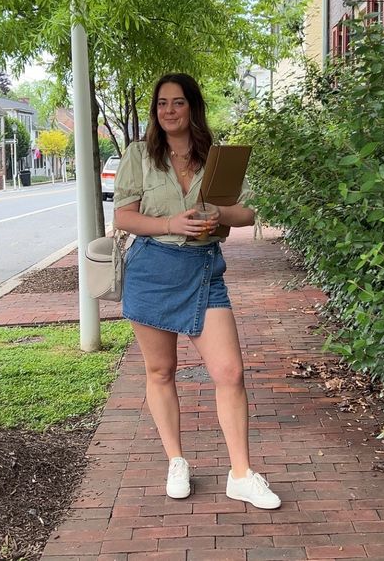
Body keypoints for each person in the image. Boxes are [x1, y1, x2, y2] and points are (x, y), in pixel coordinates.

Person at [114, 72, 281, 510]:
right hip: (152, 269)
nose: (169, 111)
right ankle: (176, 460)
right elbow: (124, 219)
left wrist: (216, 214)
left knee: (230, 372)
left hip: (205, 272)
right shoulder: (139, 155)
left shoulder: (217, 156)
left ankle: (241, 474)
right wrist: (172, 223)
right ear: (155, 111)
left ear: (193, 107)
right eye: (162, 104)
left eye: (178, 103)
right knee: (161, 372)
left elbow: (245, 214)